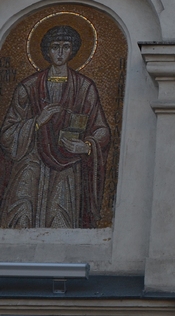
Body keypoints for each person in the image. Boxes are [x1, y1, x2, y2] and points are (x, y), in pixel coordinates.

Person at [0, 25, 110, 228]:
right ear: (47, 51)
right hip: (31, 162)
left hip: (67, 164)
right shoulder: (28, 87)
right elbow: (7, 134)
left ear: (72, 51)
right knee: (21, 213)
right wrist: (36, 122)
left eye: (65, 47)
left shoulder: (85, 88)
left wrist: (86, 146)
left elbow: (101, 130)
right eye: (55, 47)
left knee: (61, 217)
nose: (60, 53)